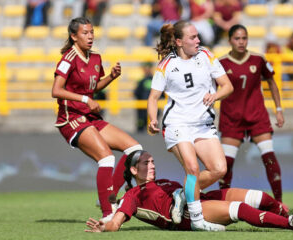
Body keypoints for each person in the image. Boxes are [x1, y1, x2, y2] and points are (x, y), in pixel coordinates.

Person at [85, 150, 293, 233]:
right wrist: (106, 226)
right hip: (188, 216)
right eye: (147, 163)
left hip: (197, 199)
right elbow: (117, 221)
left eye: (154, 161)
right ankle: (291, 224)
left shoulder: (162, 181)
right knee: (240, 209)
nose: (153, 165)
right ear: (135, 170)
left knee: (259, 197)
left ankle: (288, 215)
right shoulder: (132, 196)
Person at [51, 17, 143, 222]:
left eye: (92, 32)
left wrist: (111, 77)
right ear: (74, 36)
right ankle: (107, 213)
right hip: (71, 119)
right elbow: (56, 90)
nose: (90, 36)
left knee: (135, 150)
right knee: (107, 158)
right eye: (85, 33)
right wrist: (85, 99)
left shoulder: (95, 58)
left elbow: (93, 87)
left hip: (90, 117)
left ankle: (110, 194)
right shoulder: (68, 58)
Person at [147, 20, 234, 231]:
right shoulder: (166, 65)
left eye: (198, 36)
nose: (198, 40)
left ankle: (181, 194)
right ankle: (197, 220)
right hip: (177, 124)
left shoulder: (206, 56)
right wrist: (151, 119)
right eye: (193, 37)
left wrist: (215, 95)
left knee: (219, 169)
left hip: (203, 124)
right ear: (179, 41)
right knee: (193, 168)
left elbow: (228, 86)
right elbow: (153, 98)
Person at [217, 25, 285, 204]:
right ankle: (224, 203)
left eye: (244, 38)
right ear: (230, 40)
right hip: (232, 118)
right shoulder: (221, 63)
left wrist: (278, 109)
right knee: (225, 165)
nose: (241, 42)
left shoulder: (258, 59)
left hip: (257, 117)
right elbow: (209, 88)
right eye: (237, 39)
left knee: (269, 158)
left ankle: (279, 202)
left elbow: (271, 82)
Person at [134, 62, 154, 132]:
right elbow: (136, 93)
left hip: (152, 106)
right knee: (141, 122)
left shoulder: (155, 80)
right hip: (142, 107)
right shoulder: (141, 81)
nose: (147, 70)